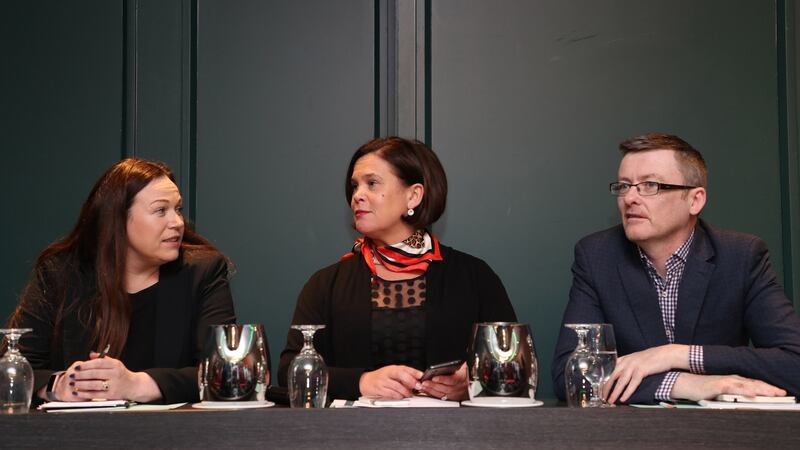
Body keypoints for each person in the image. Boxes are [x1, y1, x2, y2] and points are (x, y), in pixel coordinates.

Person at [552, 133, 800, 405]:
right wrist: (684, 383)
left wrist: (674, 355)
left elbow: (794, 363)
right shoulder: (597, 256)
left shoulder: (740, 256)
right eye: (623, 186)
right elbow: (571, 375)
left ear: (695, 200)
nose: (630, 198)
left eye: (650, 185)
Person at [278, 137, 517, 401]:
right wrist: (360, 382)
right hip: (349, 438)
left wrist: (474, 381)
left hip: (451, 439)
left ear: (413, 196)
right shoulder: (325, 284)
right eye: (355, 185)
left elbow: (514, 366)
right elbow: (289, 370)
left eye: (372, 183)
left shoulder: (475, 277)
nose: (357, 195)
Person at [7, 158, 235, 405]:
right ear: (117, 219)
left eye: (178, 209)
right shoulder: (60, 273)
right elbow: (16, 365)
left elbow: (220, 372)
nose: (177, 222)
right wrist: (59, 386)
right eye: (161, 210)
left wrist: (136, 384)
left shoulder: (203, 272)